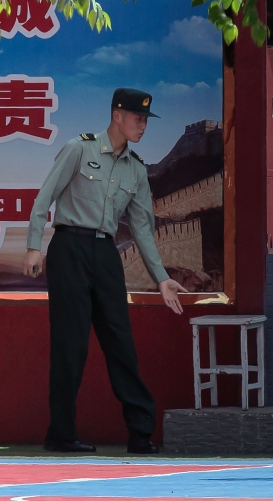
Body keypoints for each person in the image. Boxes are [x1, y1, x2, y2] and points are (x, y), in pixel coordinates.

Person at [23, 87, 188, 455]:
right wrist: (35, 245)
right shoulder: (79, 149)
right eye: (137, 118)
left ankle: (140, 432)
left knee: (121, 342)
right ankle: (61, 434)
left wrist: (161, 278)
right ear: (117, 115)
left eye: (146, 119)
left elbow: (143, 228)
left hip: (105, 253)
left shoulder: (137, 170)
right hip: (69, 249)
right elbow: (44, 197)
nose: (143, 125)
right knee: (71, 345)